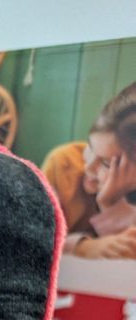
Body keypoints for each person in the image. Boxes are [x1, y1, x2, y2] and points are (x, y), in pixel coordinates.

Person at [42, 82, 136, 259]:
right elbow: (35, 241)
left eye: (106, 163)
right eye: (90, 147)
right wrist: (82, 247)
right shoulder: (63, 164)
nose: (89, 166)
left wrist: (111, 204)